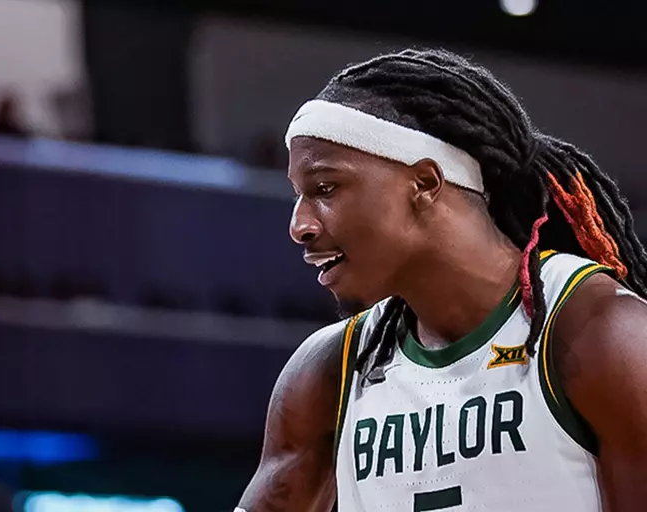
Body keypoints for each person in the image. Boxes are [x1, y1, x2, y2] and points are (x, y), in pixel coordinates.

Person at [238, 49, 647, 511]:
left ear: (426, 183)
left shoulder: (604, 334)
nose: (300, 226)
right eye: (299, 196)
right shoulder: (326, 372)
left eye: (325, 189)